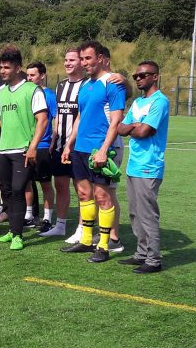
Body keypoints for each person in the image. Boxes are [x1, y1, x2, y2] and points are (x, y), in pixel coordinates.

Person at [61, 41, 126, 263]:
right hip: (80, 148)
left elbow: (117, 118)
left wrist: (104, 150)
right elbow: (80, 117)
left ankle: (105, 246)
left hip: (100, 149)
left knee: (102, 196)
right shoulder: (86, 85)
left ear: (100, 58)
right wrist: (69, 144)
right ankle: (86, 240)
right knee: (83, 195)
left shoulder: (112, 83)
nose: (84, 63)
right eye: (82, 59)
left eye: (88, 58)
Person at [0, 46, 48, 250]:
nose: (2, 71)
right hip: (4, 149)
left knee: (19, 190)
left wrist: (33, 147)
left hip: (23, 150)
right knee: (7, 191)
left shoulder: (32, 90)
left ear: (18, 68)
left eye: (7, 67)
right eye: (1, 67)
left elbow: (42, 120)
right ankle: (12, 230)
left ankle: (18, 235)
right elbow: (0, 121)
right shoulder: (1, 93)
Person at [117, 60, 169, 274]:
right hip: (133, 165)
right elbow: (120, 127)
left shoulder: (160, 101)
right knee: (135, 214)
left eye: (143, 75)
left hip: (149, 165)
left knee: (148, 215)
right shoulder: (138, 103)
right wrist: (134, 126)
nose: (138, 79)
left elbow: (144, 132)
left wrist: (135, 127)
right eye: (136, 76)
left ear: (155, 76)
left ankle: (154, 260)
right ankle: (141, 253)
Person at [40, 48, 85, 238]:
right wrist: (54, 137)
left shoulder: (87, 85)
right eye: (66, 60)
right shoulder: (60, 86)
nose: (67, 63)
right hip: (60, 145)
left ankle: (83, 228)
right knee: (60, 185)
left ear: (81, 62)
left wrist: (70, 143)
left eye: (72, 60)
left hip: (78, 146)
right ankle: (60, 225)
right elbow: (58, 115)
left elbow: (81, 116)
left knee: (82, 189)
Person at [24, 61, 57, 233]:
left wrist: (53, 140)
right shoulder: (26, 93)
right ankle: (29, 215)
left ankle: (47, 218)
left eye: (32, 75)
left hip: (43, 145)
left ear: (42, 76)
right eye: (27, 75)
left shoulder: (49, 95)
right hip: (25, 145)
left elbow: (54, 118)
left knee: (45, 182)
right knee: (27, 182)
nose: (29, 78)